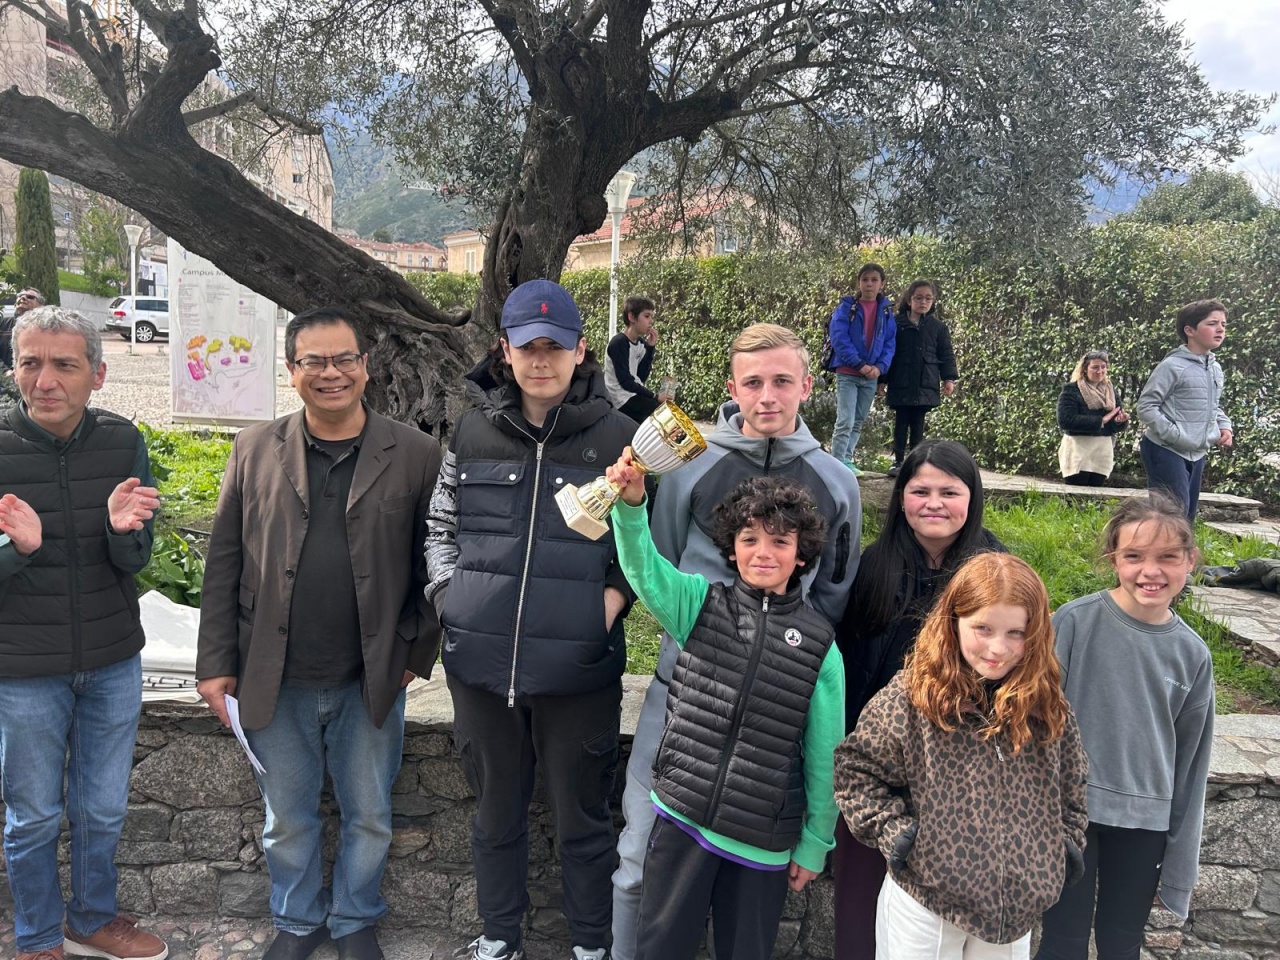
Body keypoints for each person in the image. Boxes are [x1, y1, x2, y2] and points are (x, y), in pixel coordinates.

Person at [196, 306, 444, 960]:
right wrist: (215, 662)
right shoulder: (254, 450)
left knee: (370, 814)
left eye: (344, 359)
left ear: (366, 366)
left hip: (372, 675)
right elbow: (224, 561)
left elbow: (437, 563)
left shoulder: (417, 455)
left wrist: (415, 653)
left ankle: (356, 919)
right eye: (314, 361)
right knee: (287, 819)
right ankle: (298, 921)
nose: (331, 373)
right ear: (292, 370)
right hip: (273, 674)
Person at [610, 321, 862, 960]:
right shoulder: (691, 465)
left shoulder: (838, 482)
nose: (767, 396)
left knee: (745, 900)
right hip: (684, 690)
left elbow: (833, 590)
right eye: (752, 383)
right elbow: (661, 557)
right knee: (639, 863)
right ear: (732, 388)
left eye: (782, 381)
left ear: (808, 385)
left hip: (778, 704)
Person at [425, 279, 635, 960]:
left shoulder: (621, 438)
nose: (540, 360)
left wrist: (606, 609)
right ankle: (498, 937)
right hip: (481, 668)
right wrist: (452, 602)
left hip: (579, 671)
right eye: (527, 347)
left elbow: (645, 545)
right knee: (495, 819)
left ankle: (590, 946)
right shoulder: (471, 431)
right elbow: (440, 525)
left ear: (580, 350)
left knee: (583, 824)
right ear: (505, 350)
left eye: (555, 346)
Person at [0, 307, 166, 960]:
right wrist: (18, 550)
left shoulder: (122, 441)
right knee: (33, 814)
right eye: (30, 363)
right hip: (22, 668)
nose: (45, 381)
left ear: (97, 374)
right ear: (14, 369)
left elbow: (137, 558)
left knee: (102, 809)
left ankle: (92, 919)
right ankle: (40, 937)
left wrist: (121, 533)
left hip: (111, 659)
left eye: (64, 365)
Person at [835, 552, 1089, 960]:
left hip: (1014, 913)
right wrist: (899, 836)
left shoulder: (1046, 706)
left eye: (1016, 632)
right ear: (953, 622)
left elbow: (1072, 784)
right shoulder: (911, 697)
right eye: (982, 628)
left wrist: (1062, 847)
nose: (998, 648)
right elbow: (856, 773)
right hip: (927, 903)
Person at [831, 438, 1005, 960]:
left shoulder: (995, 573)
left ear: (971, 498)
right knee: (859, 913)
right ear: (901, 497)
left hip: (960, 778)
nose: (934, 503)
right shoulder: (872, 566)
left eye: (949, 492)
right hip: (876, 773)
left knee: (937, 931)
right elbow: (846, 667)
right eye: (920, 490)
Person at [1036, 494, 1214, 960]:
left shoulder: (1193, 655)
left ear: (1190, 560)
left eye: (1167, 557)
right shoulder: (1074, 622)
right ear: (1113, 559)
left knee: (1122, 946)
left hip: (1145, 826)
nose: (1150, 571)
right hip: (1069, 815)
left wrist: (1180, 870)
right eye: (1134, 556)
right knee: (1063, 945)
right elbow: (1035, 726)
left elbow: (1191, 767)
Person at [1135, 299, 1232, 520]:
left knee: (1187, 515)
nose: (1220, 329)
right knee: (1170, 515)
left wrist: (1224, 426)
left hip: (1197, 453)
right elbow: (1146, 406)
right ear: (1190, 330)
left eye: (1223, 324)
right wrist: (1175, 435)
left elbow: (1211, 405)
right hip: (1166, 449)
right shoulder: (1172, 366)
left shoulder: (1215, 369)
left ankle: (1177, 546)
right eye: (1212, 324)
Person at [879, 280, 957, 477]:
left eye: (928, 298)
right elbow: (888, 353)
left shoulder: (938, 327)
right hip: (901, 381)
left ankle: (915, 463)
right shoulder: (896, 324)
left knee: (918, 424)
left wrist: (949, 378)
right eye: (919, 298)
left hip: (925, 382)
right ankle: (898, 461)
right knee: (901, 422)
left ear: (933, 301)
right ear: (909, 299)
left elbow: (946, 353)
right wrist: (882, 380)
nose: (923, 302)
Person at [827, 263, 896, 474]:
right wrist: (859, 364)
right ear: (859, 282)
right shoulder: (846, 308)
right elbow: (839, 338)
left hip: (871, 376)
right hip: (848, 373)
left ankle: (847, 460)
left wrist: (880, 367)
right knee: (845, 420)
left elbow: (889, 343)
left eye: (874, 280)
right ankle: (836, 463)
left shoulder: (886, 312)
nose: (869, 284)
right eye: (865, 279)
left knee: (858, 420)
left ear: (882, 284)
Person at [1057, 349, 1129, 486]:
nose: (1100, 371)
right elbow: (1065, 420)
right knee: (1076, 494)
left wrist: (1120, 421)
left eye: (1103, 367)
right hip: (1078, 451)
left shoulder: (1111, 391)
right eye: (1095, 367)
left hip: (1102, 452)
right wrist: (1100, 421)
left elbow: (1114, 424)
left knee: (1096, 494)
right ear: (1085, 369)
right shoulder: (1072, 390)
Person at [604, 296, 669, 423]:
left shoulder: (640, 343)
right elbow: (625, 381)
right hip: (619, 399)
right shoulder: (619, 343)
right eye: (647, 316)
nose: (651, 321)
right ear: (632, 317)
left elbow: (640, 376)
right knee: (662, 417)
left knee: (666, 411)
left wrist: (650, 348)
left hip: (631, 395)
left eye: (651, 317)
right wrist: (655, 396)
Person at [0, 287, 45, 369]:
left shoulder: (45, 328)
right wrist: (5, 372)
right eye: (20, 296)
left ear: (40, 305)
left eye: (30, 297)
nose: (23, 298)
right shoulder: (3, 324)